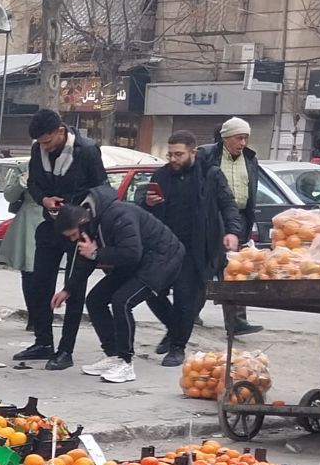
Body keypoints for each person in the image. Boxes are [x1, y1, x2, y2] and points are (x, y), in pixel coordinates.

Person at [50, 188, 183, 384]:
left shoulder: (119, 214)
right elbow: (86, 259)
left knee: (122, 301)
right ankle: (113, 355)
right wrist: (68, 289)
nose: (73, 239)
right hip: (134, 262)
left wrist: (97, 254)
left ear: (81, 222)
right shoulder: (89, 224)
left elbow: (131, 252)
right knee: (95, 300)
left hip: (161, 259)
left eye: (73, 235)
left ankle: (126, 362)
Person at [15, 109, 108, 371]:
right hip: (50, 225)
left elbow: (101, 187)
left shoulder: (87, 150)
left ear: (60, 131)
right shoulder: (38, 151)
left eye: (47, 141)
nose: (44, 146)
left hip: (79, 227)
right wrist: (44, 199)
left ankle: (66, 350)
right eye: (40, 143)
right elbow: (33, 184)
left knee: (74, 288)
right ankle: (43, 341)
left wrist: (77, 207)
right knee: (39, 283)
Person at [144, 131, 243, 366]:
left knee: (185, 298)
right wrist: (147, 203)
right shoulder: (161, 175)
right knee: (150, 290)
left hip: (197, 247)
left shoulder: (210, 174)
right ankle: (173, 327)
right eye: (170, 154)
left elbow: (227, 204)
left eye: (179, 154)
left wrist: (232, 231)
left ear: (193, 153)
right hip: (165, 246)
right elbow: (145, 208)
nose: (173, 159)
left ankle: (177, 347)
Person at [197, 117, 262, 334]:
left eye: (245, 138)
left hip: (239, 219)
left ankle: (237, 322)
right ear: (225, 138)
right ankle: (189, 313)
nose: (243, 142)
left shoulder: (250, 159)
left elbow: (251, 190)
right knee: (205, 267)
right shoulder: (207, 155)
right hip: (211, 218)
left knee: (236, 270)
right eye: (238, 137)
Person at [0, 164, 43, 333]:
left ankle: (44, 315)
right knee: (28, 271)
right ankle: (34, 316)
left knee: (46, 273)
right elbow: (9, 195)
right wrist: (22, 182)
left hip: (54, 218)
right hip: (28, 221)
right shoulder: (23, 167)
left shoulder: (62, 164)